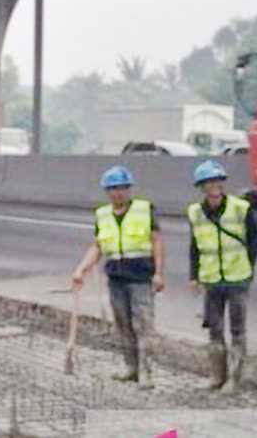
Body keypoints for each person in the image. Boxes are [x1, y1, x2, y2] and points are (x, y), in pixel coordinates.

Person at [70, 165, 164, 389]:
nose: (118, 192)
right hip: (116, 278)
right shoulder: (102, 215)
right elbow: (97, 246)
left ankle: (146, 372)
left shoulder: (144, 210)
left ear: (129, 189)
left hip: (140, 277)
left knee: (143, 325)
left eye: (122, 188)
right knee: (123, 325)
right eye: (113, 189)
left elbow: (156, 241)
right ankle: (131, 367)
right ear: (107, 191)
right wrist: (81, 269)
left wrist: (159, 273)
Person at [186, 159, 257, 394]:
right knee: (214, 330)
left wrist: (247, 267)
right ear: (202, 187)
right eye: (208, 183)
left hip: (237, 279)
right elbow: (195, 246)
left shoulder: (240, 208)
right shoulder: (196, 213)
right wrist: (194, 275)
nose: (214, 187)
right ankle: (216, 377)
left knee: (238, 331)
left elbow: (254, 240)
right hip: (211, 280)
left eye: (217, 182)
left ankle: (234, 380)